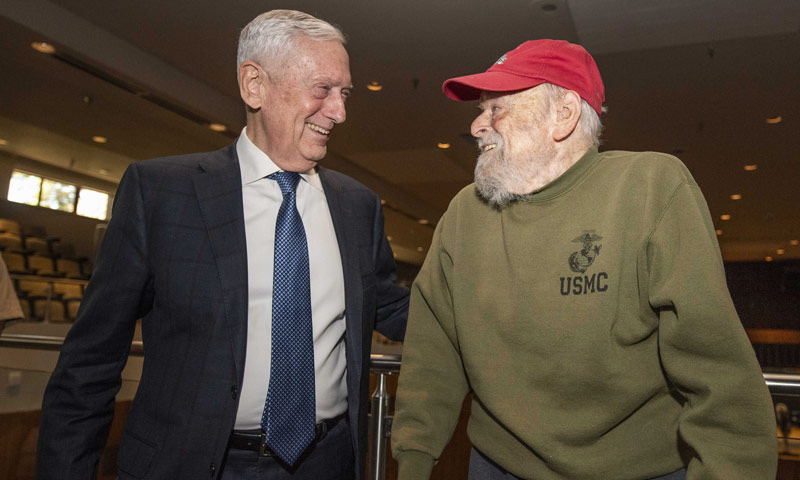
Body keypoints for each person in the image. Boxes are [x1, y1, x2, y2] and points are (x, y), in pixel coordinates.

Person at [36, 10, 408, 480]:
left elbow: (390, 306)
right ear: (254, 85)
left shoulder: (357, 206)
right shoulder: (161, 193)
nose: (339, 112)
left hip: (326, 463)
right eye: (323, 90)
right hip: (188, 464)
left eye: (344, 93)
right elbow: (89, 364)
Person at [391, 39, 776, 480]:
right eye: (481, 110)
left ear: (564, 114)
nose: (479, 126)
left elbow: (717, 370)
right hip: (497, 467)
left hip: (637, 471)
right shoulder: (465, 212)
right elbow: (433, 350)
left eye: (497, 108)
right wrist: (414, 459)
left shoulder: (650, 188)